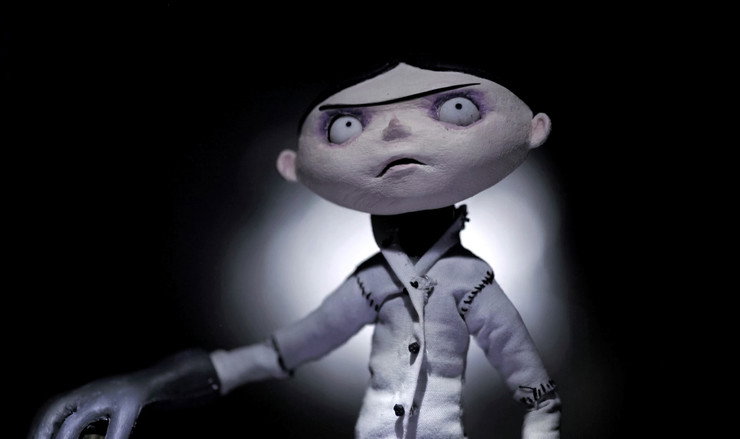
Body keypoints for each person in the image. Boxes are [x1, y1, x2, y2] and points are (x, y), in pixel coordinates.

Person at [31, 62, 560, 439]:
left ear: (534, 129)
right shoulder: (372, 284)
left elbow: (535, 390)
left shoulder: (471, 284)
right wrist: (148, 383)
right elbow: (269, 356)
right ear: (293, 167)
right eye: (348, 125)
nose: (397, 128)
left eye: (456, 108)